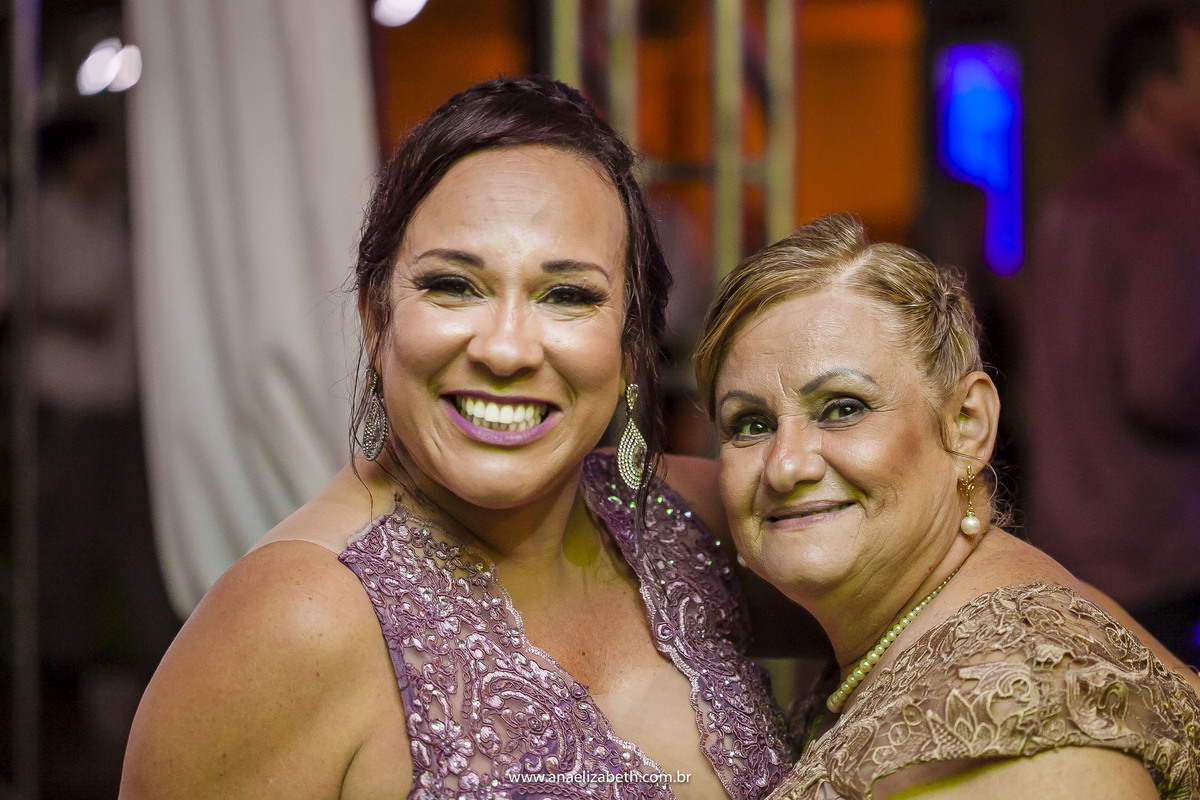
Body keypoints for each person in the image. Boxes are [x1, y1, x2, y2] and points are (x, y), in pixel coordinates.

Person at [120, 76, 790, 800]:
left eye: (568, 295)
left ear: (629, 350)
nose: (505, 349)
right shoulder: (292, 624)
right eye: (453, 286)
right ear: (377, 320)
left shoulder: (691, 524)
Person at [694, 214, 1200, 800]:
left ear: (966, 425)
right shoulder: (930, 623)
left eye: (843, 408)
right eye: (750, 424)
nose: (785, 466)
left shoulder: (1018, 704)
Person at [1024, 6, 1200, 667]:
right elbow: (1162, 384)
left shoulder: (1068, 201)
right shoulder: (1171, 202)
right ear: (1157, 95)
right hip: (1156, 549)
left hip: (1069, 542)